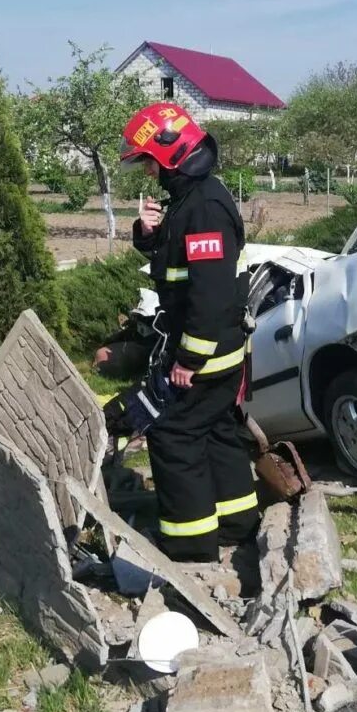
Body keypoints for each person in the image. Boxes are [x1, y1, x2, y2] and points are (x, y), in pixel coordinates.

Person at [120, 102, 258, 562]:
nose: (147, 171)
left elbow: (211, 292)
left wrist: (188, 359)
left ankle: (188, 545)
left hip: (205, 356)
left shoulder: (205, 207)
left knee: (173, 436)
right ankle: (237, 525)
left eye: (148, 162)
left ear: (169, 153)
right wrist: (146, 233)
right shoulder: (192, 198)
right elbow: (175, 261)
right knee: (218, 430)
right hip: (214, 353)